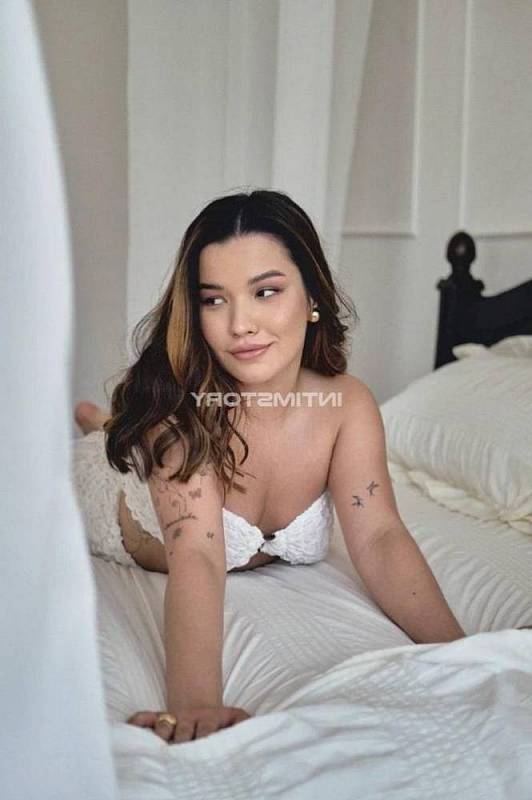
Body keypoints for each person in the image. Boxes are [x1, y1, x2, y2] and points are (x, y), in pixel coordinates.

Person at [72, 189, 466, 746]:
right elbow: (199, 557)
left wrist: (465, 654)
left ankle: (107, 421)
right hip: (116, 501)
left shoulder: (346, 405)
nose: (240, 325)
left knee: (119, 427)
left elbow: (379, 535)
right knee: (109, 446)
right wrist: (195, 705)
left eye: (265, 292)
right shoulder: (182, 423)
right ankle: (104, 427)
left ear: (312, 296)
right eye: (214, 300)